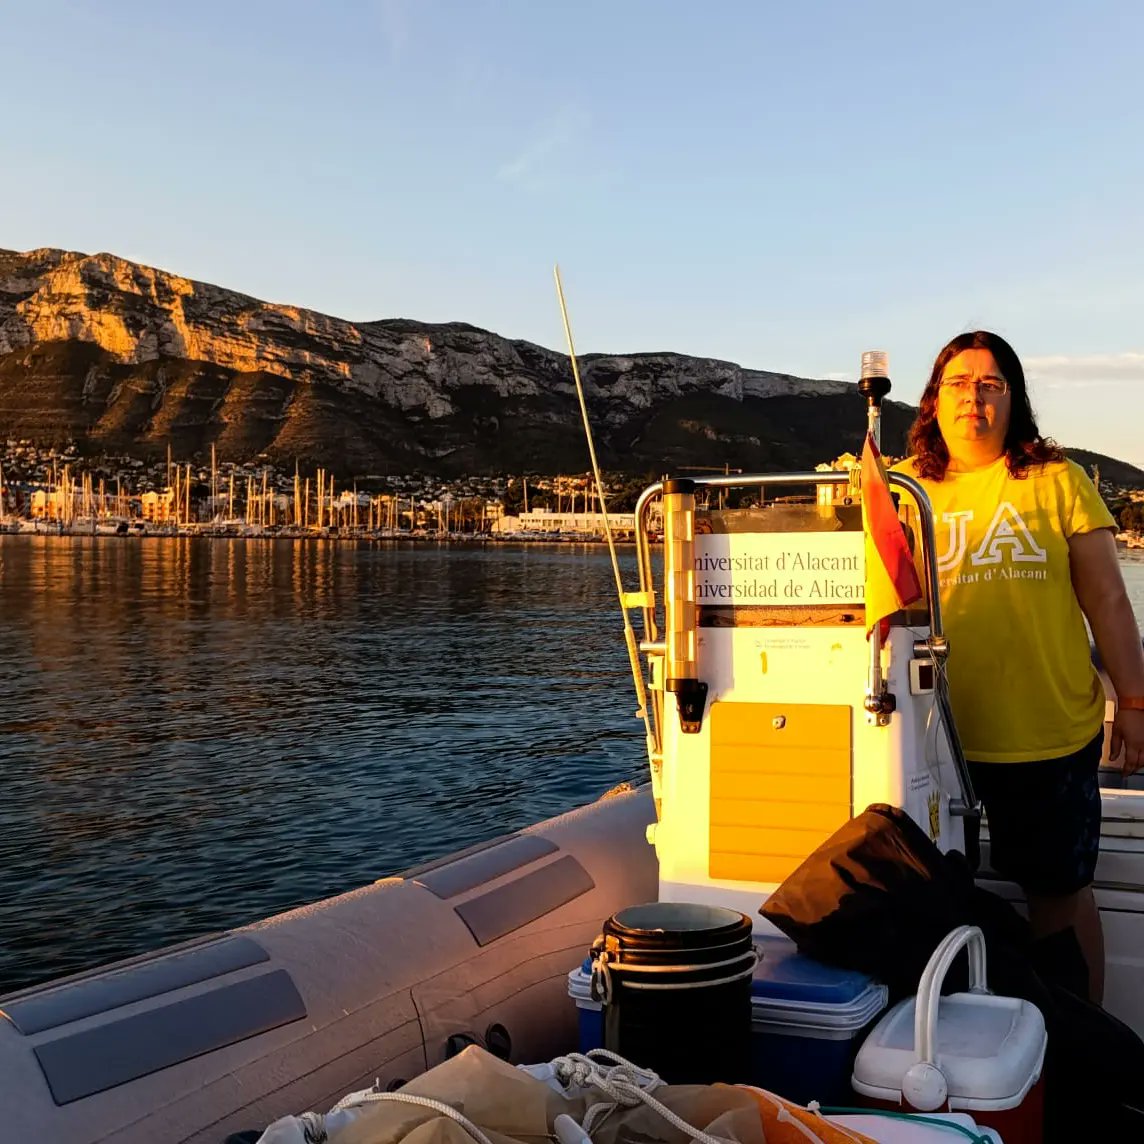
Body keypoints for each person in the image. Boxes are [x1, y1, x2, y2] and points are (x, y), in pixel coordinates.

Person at [895, 329, 1144, 1003]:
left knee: (1060, 900)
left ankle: (1084, 1049)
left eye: (990, 384)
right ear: (933, 400)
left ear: (1013, 400)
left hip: (1048, 738)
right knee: (938, 903)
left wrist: (1136, 702)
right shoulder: (903, 489)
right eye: (957, 383)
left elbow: (1110, 604)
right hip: (933, 744)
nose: (972, 397)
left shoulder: (1056, 479)